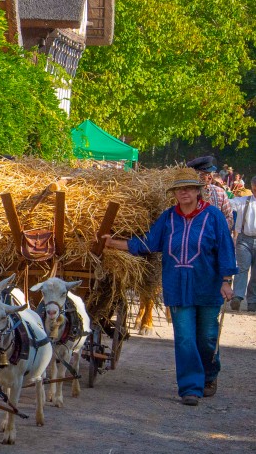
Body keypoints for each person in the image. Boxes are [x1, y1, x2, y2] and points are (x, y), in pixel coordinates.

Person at [102, 169, 236, 406]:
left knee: (206, 338)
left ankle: (209, 374)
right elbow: (149, 242)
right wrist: (114, 243)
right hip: (177, 286)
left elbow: (225, 249)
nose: (183, 192)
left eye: (188, 188)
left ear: (197, 191)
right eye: (179, 189)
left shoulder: (213, 216)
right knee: (185, 338)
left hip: (207, 286)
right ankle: (190, 388)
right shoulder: (168, 218)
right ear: (174, 193)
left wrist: (226, 281)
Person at [188, 156, 234, 232]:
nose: (210, 177)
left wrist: (219, 228)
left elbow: (229, 216)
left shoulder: (219, 192)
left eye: (211, 173)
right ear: (196, 175)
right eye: (206, 174)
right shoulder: (188, 194)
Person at [229, 188, 256, 311]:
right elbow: (227, 202)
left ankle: (252, 301)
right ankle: (238, 296)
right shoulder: (242, 201)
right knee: (242, 268)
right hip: (244, 239)